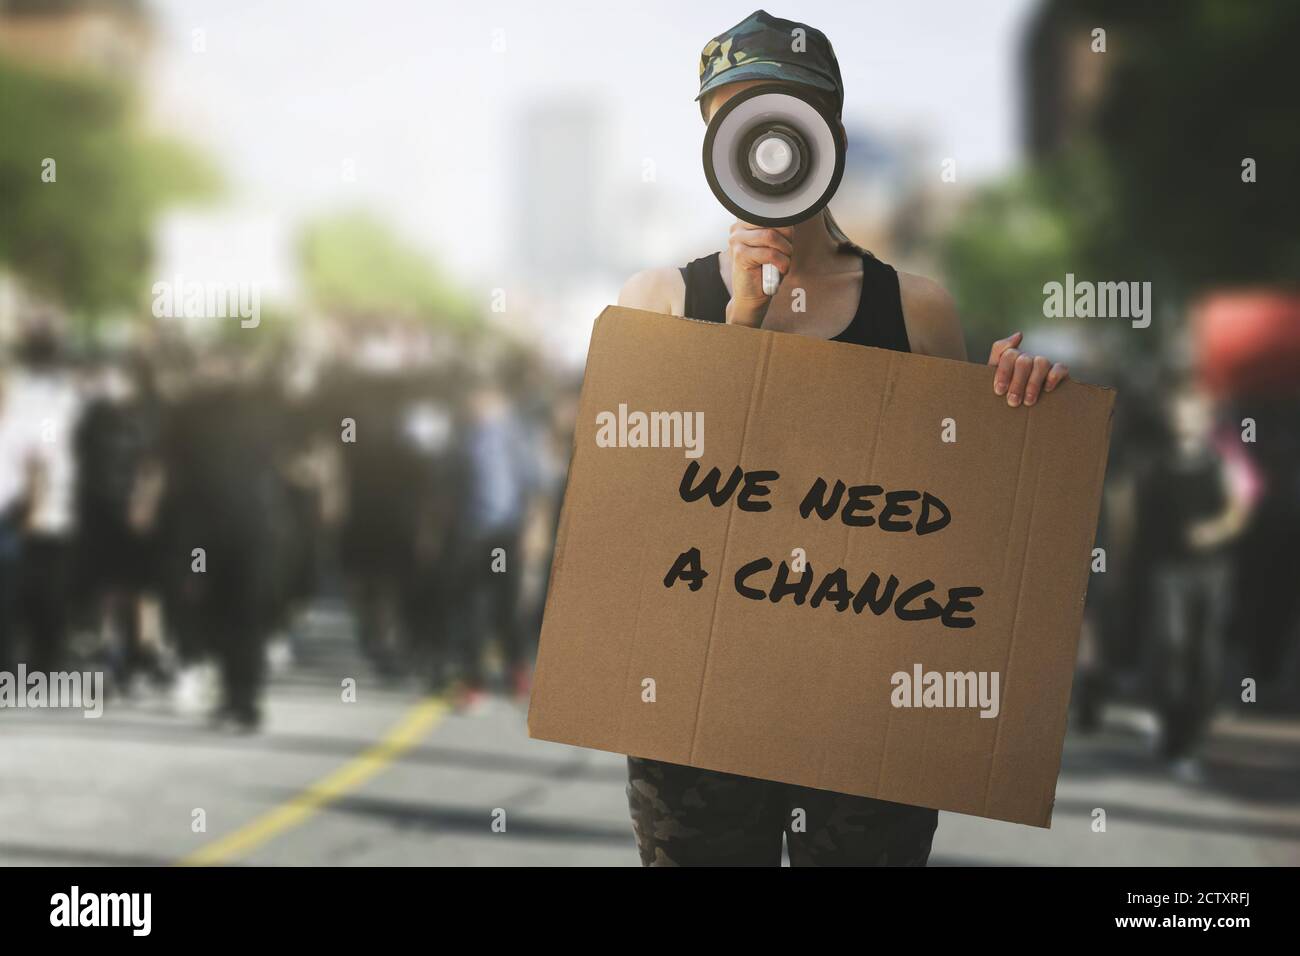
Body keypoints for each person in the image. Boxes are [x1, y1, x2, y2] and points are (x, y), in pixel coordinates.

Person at [616, 10, 1071, 866]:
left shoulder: (916, 307)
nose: (766, 144)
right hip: (702, 716)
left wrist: (1019, 417)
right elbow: (630, 507)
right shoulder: (658, 300)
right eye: (739, 120)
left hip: (868, 719)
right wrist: (741, 326)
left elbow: (960, 524)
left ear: (832, 135)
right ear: (713, 140)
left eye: (785, 116)